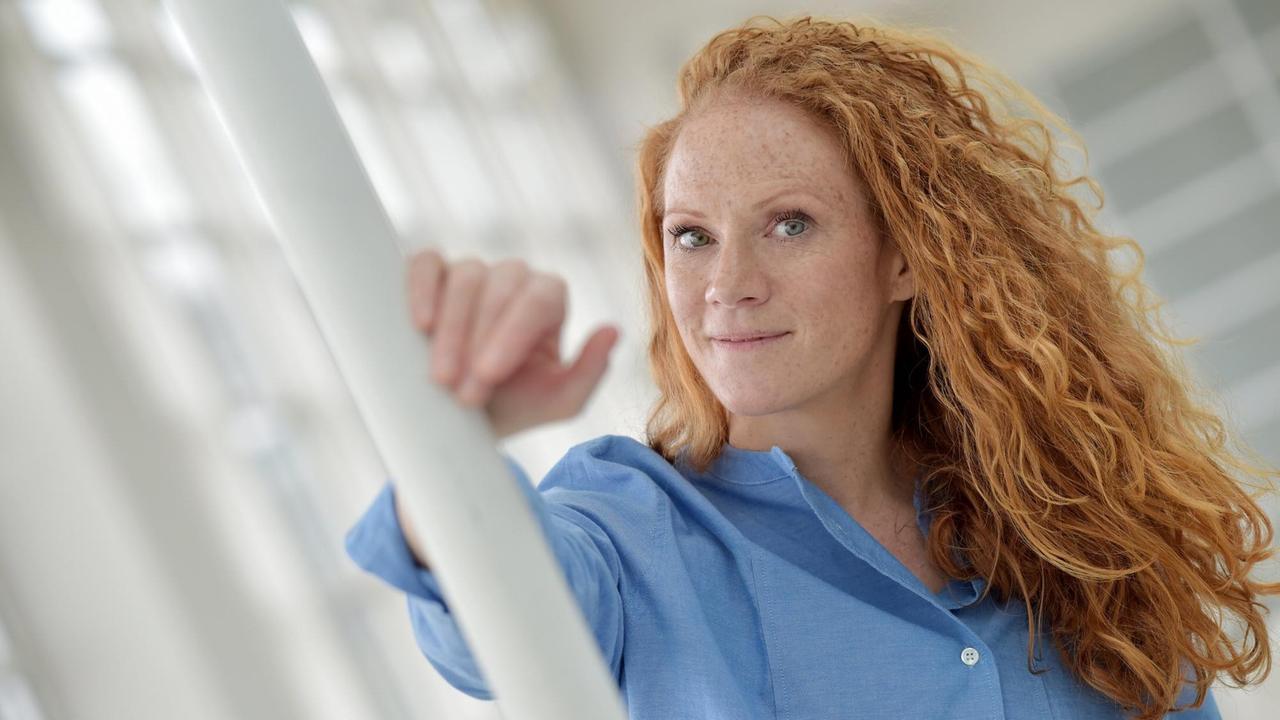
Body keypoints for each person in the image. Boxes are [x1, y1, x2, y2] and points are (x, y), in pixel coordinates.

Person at [344, 15, 1280, 719]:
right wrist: (451, 432)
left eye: (789, 225)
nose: (727, 285)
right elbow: (489, 605)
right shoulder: (630, 535)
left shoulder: (1066, 526)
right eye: (692, 237)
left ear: (907, 257)